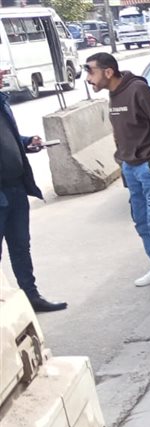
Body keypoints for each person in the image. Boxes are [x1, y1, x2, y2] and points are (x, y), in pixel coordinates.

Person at [84, 52, 150, 294]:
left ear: (108, 72)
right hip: (131, 167)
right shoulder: (114, 95)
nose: (88, 78)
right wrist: (122, 161)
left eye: (91, 71)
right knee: (141, 221)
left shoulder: (139, 90)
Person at [0, 91, 67, 312]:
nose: (2, 75)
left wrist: (27, 142)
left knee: (21, 246)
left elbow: (8, 138)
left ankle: (31, 297)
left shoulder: (2, 102)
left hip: (16, 188)